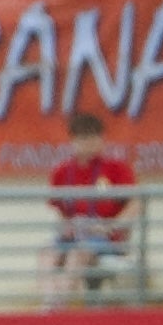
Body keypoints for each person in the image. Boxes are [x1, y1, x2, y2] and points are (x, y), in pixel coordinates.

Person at [44, 113, 136, 308]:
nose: (89, 144)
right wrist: (67, 226)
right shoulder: (62, 172)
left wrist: (112, 226)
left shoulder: (116, 168)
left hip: (102, 237)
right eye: (83, 138)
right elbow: (59, 210)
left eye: (94, 138)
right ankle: (49, 304)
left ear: (102, 140)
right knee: (47, 254)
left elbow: (134, 203)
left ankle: (59, 305)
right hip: (73, 234)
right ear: (73, 140)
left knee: (78, 254)